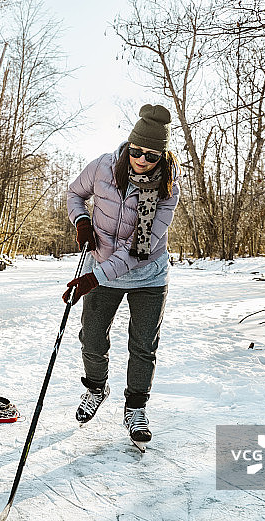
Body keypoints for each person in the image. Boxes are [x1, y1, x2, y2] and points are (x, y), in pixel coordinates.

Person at [63, 104, 181, 449]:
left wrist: (92, 279)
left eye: (151, 155)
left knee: (143, 345)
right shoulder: (102, 166)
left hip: (147, 272)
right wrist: (81, 221)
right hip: (100, 266)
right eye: (137, 151)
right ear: (128, 146)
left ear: (163, 156)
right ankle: (97, 388)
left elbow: (136, 250)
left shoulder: (167, 189)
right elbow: (74, 193)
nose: (142, 160)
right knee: (93, 338)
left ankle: (135, 408)